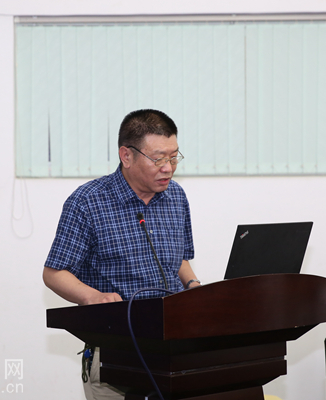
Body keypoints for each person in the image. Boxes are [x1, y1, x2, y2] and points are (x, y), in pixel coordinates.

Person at [43, 109, 200, 400]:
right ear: (126, 156)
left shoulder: (176, 196)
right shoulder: (88, 201)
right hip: (115, 353)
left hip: (174, 350)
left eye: (174, 157)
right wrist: (93, 297)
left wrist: (193, 286)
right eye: (159, 159)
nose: (168, 168)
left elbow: (179, 258)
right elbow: (54, 273)